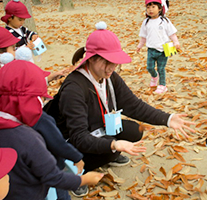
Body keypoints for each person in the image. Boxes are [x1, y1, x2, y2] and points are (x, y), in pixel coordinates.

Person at [52, 21, 194, 196]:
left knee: (134, 131)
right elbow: (79, 137)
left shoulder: (109, 76)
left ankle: (104, 153)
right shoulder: (74, 88)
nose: (112, 67)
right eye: (107, 62)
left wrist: (168, 119)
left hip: (97, 127)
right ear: (92, 58)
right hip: (70, 142)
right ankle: (74, 173)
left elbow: (133, 105)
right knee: (112, 150)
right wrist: (114, 144)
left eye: (115, 62)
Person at [0, 59, 104, 200]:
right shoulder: (29, 139)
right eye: (40, 97)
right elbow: (52, 176)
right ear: (31, 100)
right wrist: (84, 180)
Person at [0, 25, 67, 116]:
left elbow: (23, 88)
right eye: (13, 49)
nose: (15, 52)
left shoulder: (8, 68)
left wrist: (49, 78)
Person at [137, 0, 180, 94]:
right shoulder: (146, 22)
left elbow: (172, 34)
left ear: (160, 9)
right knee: (150, 67)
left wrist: (176, 43)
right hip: (151, 49)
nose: (150, 10)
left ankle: (162, 85)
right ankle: (154, 76)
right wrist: (140, 46)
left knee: (161, 68)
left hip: (164, 49)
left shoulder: (164, 21)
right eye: (148, 7)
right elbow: (143, 36)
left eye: (153, 7)